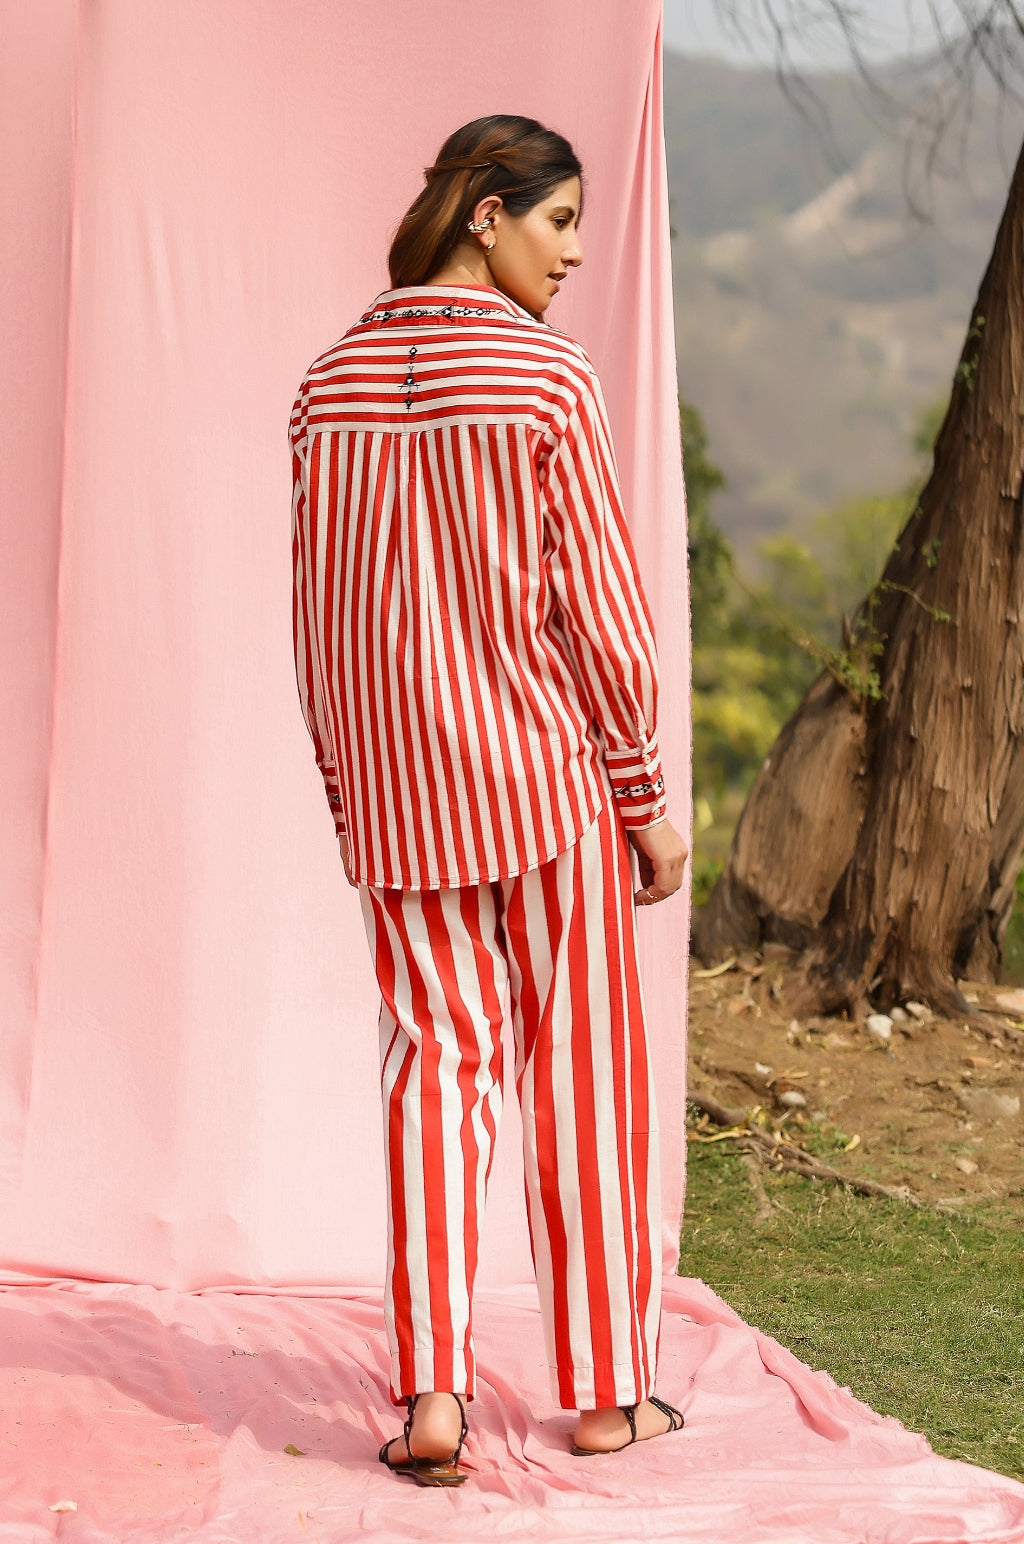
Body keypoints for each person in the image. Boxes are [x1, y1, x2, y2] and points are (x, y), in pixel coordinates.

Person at [290, 114, 688, 1487]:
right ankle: (599, 1395)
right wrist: (641, 796)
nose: (574, 252)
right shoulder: (547, 381)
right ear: (486, 215)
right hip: (542, 791)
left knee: (432, 1078)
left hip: (402, 806)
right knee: (578, 1081)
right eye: (559, 221)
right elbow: (606, 625)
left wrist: (356, 800)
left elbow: (317, 626)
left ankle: (433, 1399)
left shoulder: (326, 385)